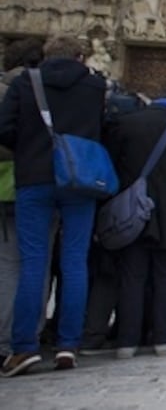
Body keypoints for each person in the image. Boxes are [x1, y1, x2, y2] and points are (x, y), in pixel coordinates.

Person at [0, 35, 106, 376]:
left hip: (35, 177)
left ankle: (25, 348)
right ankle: (67, 345)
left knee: (34, 261)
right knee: (75, 261)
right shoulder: (94, 85)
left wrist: (29, 150)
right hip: (79, 178)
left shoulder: (24, 83)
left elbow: (4, 128)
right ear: (80, 55)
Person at [105, 88, 166, 359]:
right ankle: (163, 340)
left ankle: (127, 341)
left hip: (132, 212)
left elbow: (112, 166)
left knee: (132, 278)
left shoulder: (126, 125)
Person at [0, 38, 44, 365]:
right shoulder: (54, 92)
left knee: (11, 263)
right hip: (46, 181)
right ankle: (31, 334)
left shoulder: (9, 90)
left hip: (14, 184)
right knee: (36, 262)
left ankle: (10, 338)